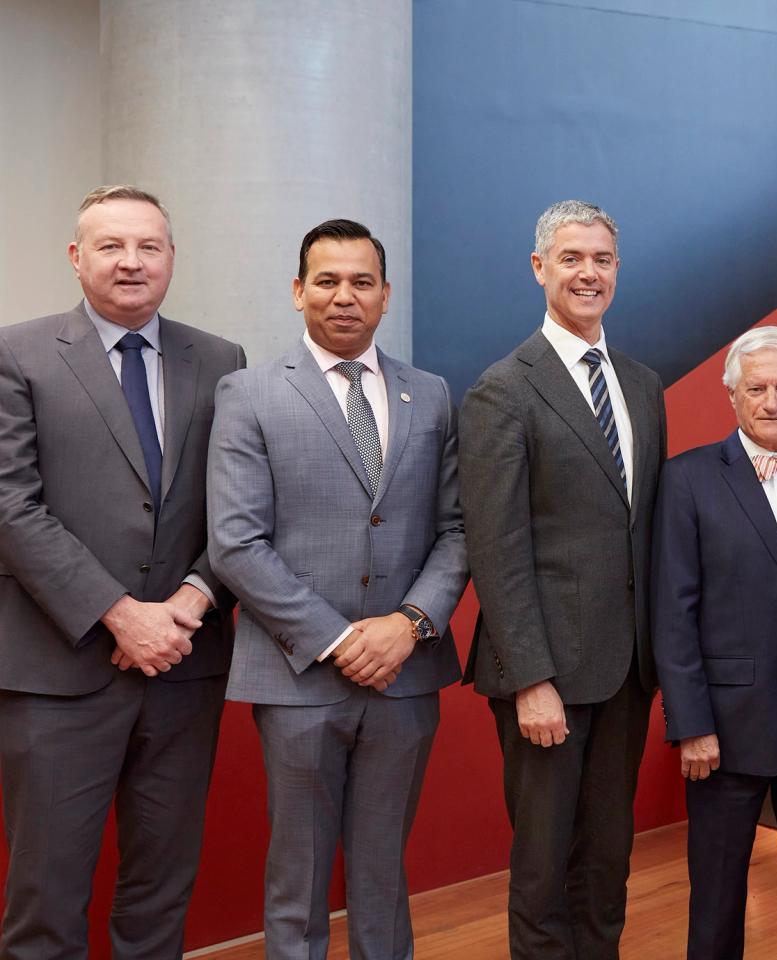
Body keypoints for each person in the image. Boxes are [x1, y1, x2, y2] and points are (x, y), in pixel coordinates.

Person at [207, 219, 467, 960]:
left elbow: (457, 529)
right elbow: (235, 541)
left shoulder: (434, 395)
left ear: (386, 296)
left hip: (405, 673)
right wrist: (340, 638)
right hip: (297, 676)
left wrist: (410, 623)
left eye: (361, 282)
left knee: (384, 873)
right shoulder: (249, 392)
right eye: (326, 281)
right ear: (297, 292)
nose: (343, 296)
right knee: (300, 874)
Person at [0, 185, 245, 959]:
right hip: (58, 672)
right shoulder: (17, 354)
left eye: (148, 246)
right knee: (45, 896)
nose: (131, 262)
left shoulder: (222, 360)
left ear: (172, 258)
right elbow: (11, 506)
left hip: (185, 667)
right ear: (77, 257)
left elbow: (239, 509)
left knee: (161, 889)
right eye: (111, 246)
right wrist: (119, 612)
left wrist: (191, 600)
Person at [458, 200, 667, 959]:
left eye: (602, 260)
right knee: (544, 869)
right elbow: (497, 546)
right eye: (572, 258)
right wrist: (531, 679)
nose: (589, 273)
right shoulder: (502, 389)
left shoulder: (642, 386)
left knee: (608, 862)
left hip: (627, 672)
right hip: (548, 675)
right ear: (539, 267)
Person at [651, 327, 777, 959]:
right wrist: (691, 724)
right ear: (733, 396)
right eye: (757, 388)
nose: (772, 401)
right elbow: (673, 611)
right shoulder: (687, 479)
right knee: (716, 900)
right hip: (726, 729)